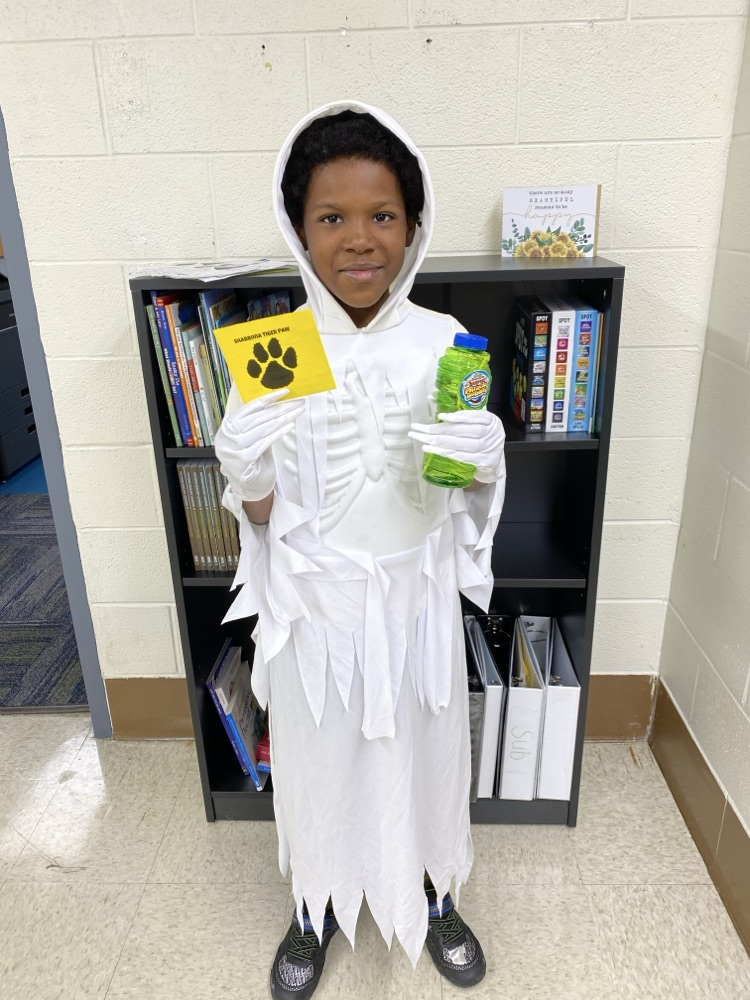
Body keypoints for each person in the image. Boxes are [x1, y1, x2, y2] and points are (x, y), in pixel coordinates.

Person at [214, 101, 506, 999]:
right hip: (320, 608)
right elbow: (261, 518)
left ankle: (433, 889)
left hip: (414, 604)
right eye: (330, 217)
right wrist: (243, 464)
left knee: (426, 749)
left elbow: (458, 501)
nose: (358, 239)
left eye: (382, 215)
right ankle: (314, 906)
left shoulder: (444, 341)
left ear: (413, 226)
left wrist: (485, 465)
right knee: (318, 760)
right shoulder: (282, 350)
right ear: (298, 229)